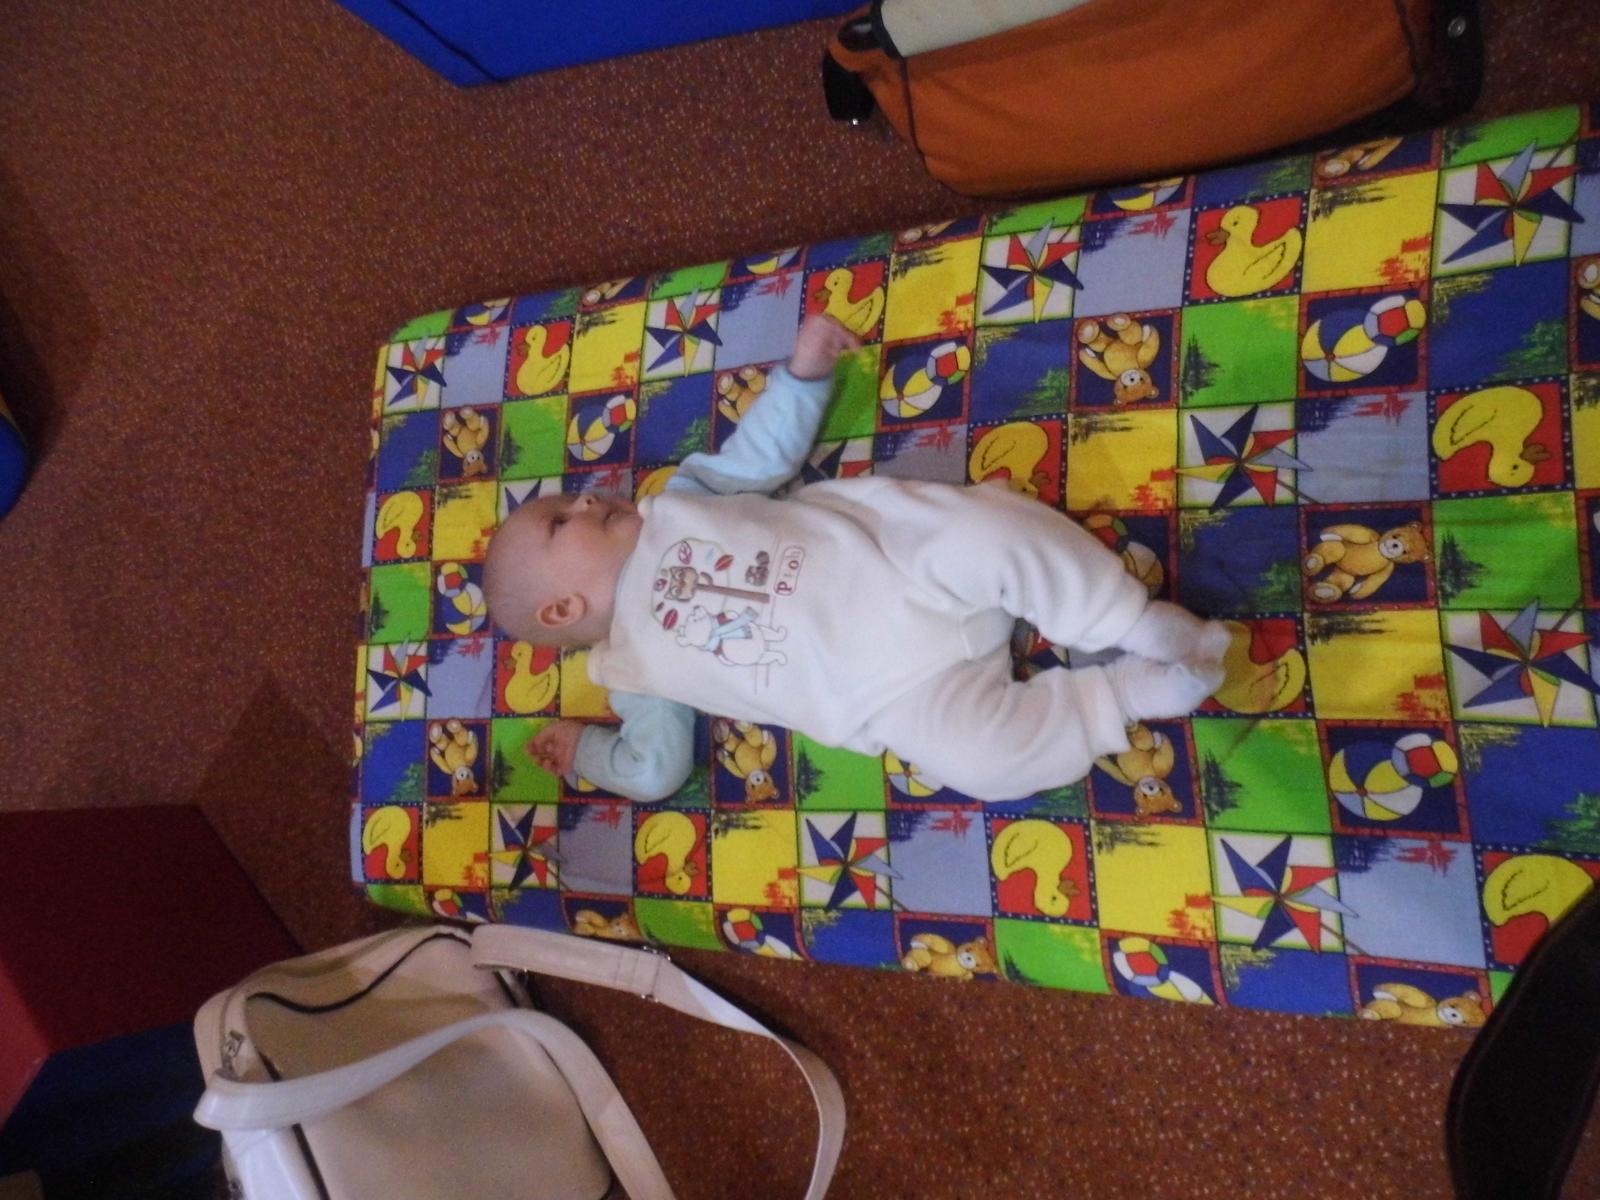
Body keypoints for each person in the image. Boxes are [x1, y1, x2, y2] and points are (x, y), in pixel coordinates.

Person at [484, 314, 1227, 803]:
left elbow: (762, 454)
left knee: (989, 532)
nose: (587, 498)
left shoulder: (676, 500)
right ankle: (1122, 696)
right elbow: (654, 770)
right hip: (902, 695)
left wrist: (803, 374)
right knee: (981, 763)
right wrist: (586, 752)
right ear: (563, 608)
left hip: (897, 563)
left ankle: (1126, 620)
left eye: (573, 496)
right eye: (561, 521)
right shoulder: (631, 673)